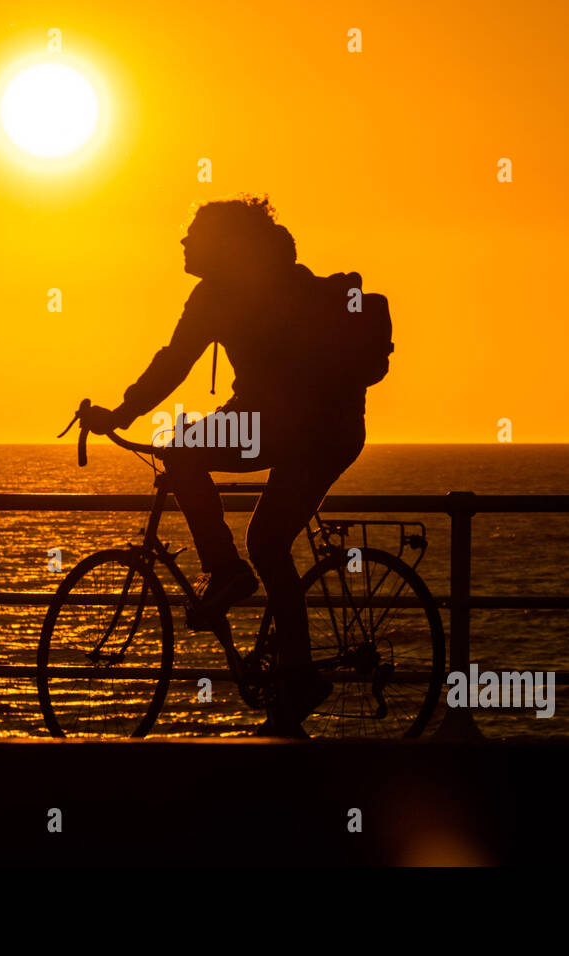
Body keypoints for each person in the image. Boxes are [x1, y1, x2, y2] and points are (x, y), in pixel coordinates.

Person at [82, 196, 368, 735]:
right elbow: (175, 362)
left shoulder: (230, 294)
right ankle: (296, 681)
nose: (185, 242)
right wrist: (127, 408)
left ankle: (226, 572)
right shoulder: (257, 288)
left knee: (186, 456)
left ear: (223, 244)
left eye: (194, 233)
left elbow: (174, 363)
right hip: (312, 428)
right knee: (269, 543)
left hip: (296, 428)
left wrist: (120, 413)